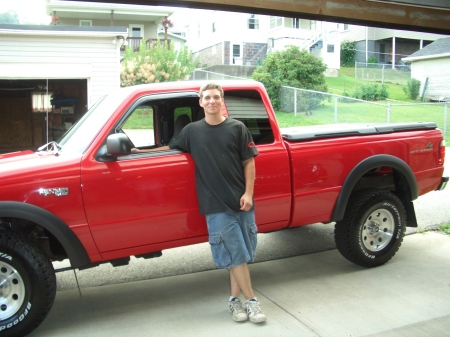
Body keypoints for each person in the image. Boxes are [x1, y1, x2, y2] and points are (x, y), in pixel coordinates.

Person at [132, 83, 266, 324]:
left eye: (216, 97)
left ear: (222, 100)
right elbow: (167, 149)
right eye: (207, 98)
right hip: (215, 205)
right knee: (235, 255)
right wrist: (137, 152)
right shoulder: (192, 131)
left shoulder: (237, 128)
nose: (212, 101)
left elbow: (249, 162)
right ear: (200, 102)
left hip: (242, 201)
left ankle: (234, 302)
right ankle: (252, 302)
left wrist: (248, 193)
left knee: (240, 256)